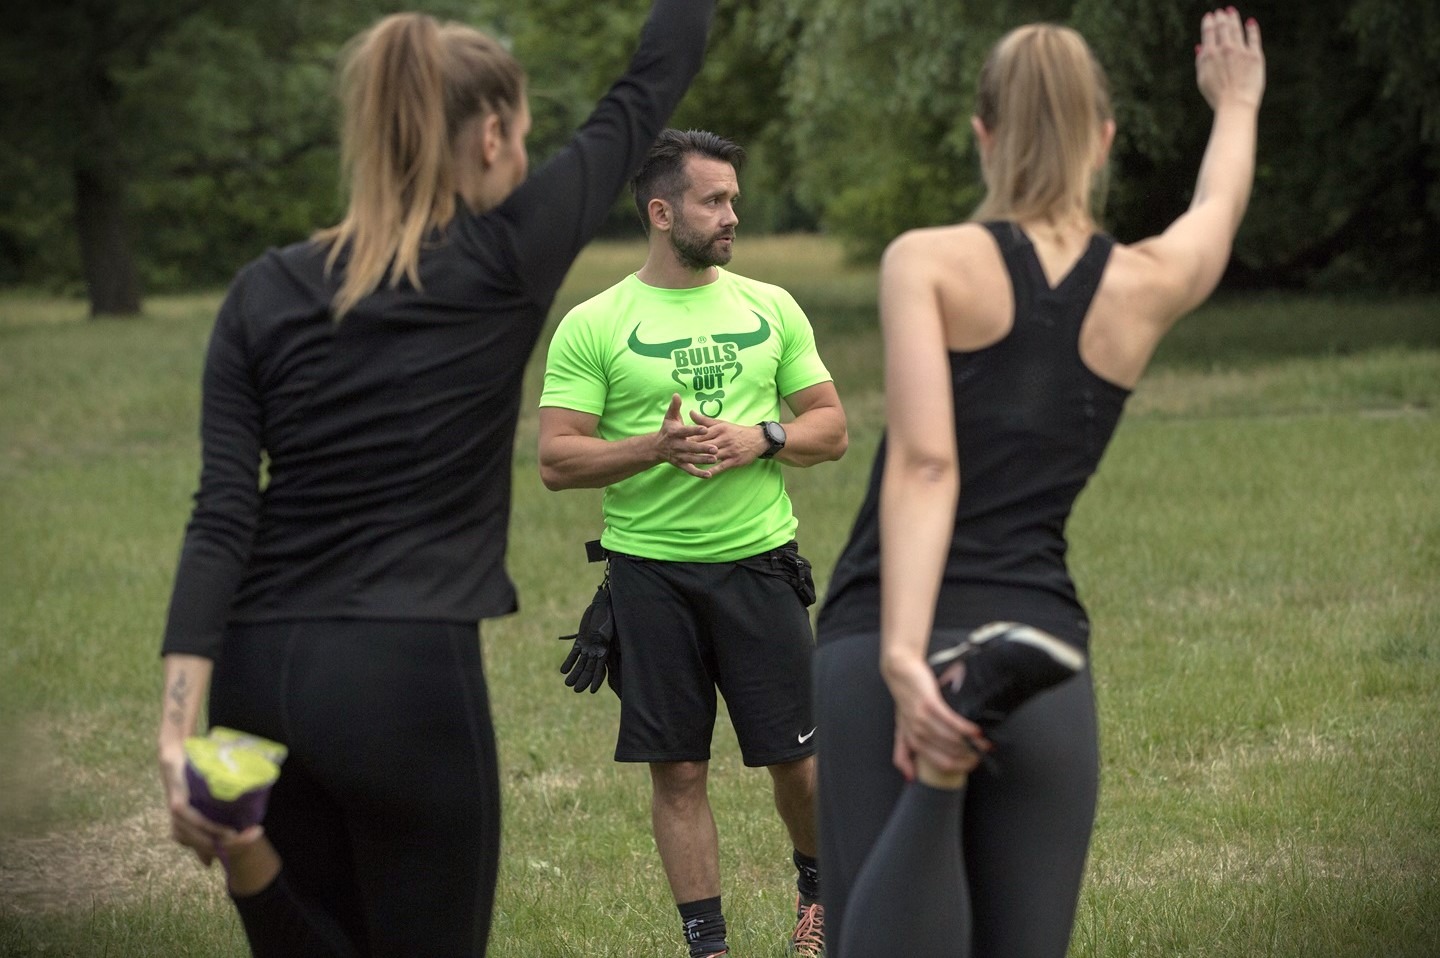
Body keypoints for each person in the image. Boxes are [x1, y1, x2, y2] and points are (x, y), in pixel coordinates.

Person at [154, 1, 714, 954]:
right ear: (490, 134)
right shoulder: (504, 257)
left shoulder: (263, 290)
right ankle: (253, 861)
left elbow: (221, 516)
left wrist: (176, 731)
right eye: (524, 137)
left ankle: (251, 857)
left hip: (257, 675)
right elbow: (652, 76)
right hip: (401, 676)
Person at [813, 9, 1265, 957]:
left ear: (983, 135)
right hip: (1042, 652)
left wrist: (905, 657)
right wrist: (1236, 104)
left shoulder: (926, 262)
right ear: (1103, 138)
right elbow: (1215, 212)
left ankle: (941, 768)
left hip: (884, 638)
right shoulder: (1144, 283)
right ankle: (972, 712)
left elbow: (928, 462)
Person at [537, 128, 848, 958]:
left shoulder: (770, 306)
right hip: (649, 578)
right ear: (662, 210)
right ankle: (705, 945)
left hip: (758, 566)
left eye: (734, 200)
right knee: (677, 771)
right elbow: (557, 460)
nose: (732, 215)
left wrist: (763, 437)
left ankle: (819, 896)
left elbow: (833, 429)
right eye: (715, 201)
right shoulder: (594, 324)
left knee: (800, 765)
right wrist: (653, 447)